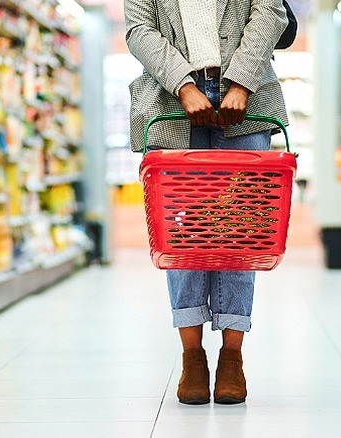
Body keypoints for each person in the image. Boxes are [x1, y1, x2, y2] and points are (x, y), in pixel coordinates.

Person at [125, 0, 289, 405]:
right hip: (170, 100)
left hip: (246, 99)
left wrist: (242, 82)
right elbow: (138, 28)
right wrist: (182, 83)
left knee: (241, 229)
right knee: (182, 232)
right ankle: (192, 356)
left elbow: (270, 12)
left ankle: (232, 356)